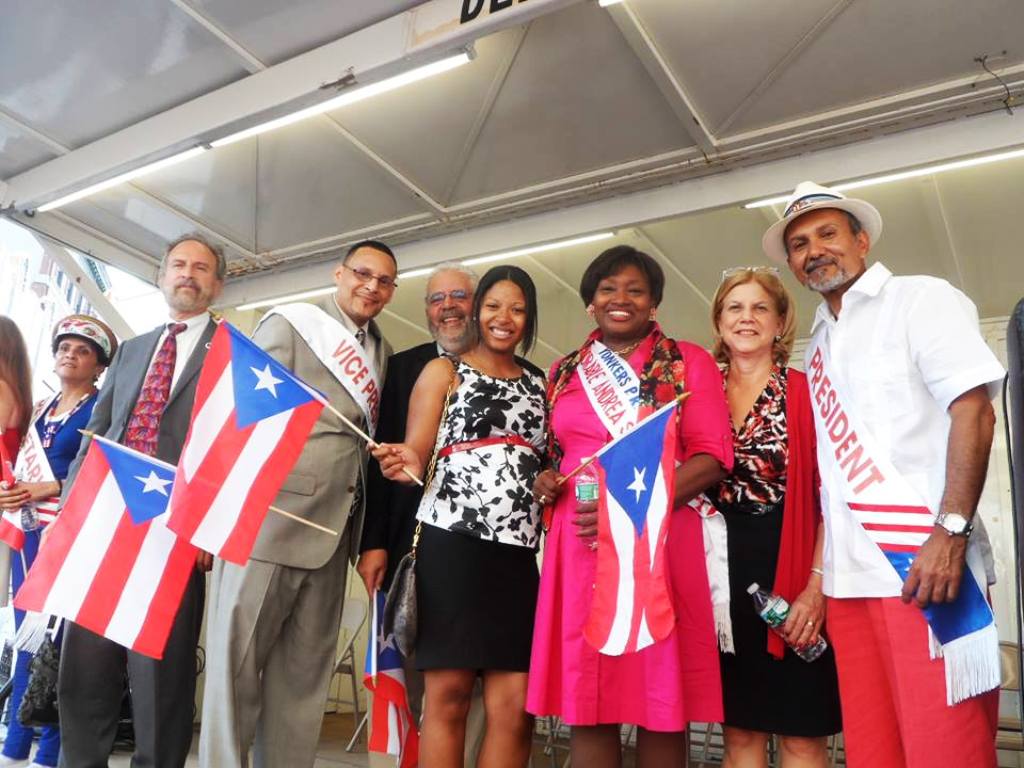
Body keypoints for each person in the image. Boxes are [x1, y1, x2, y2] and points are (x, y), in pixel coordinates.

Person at [766, 181, 1004, 768]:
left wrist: (950, 533)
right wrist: (820, 582)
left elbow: (973, 410)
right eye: (799, 244)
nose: (814, 250)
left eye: (828, 234)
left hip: (923, 568)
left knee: (944, 748)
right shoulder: (816, 344)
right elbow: (832, 481)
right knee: (875, 752)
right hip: (850, 584)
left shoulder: (922, 299)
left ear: (862, 240)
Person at [528, 245, 734, 768]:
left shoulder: (688, 361)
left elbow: (713, 456)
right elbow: (555, 454)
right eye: (607, 290)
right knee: (587, 696)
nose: (621, 299)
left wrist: (633, 505)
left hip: (657, 543)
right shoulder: (564, 371)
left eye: (635, 290)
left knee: (659, 696)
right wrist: (546, 480)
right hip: (580, 547)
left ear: (654, 303)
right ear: (590, 304)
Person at [200, 239, 395, 768]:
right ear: (338, 273)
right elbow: (243, 418)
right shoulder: (290, 324)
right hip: (271, 523)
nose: (371, 287)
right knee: (235, 673)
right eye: (362, 274)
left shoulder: (381, 349)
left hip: (336, 535)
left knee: (304, 684)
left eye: (384, 282)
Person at [58, 233, 224, 768]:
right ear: (161, 275)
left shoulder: (231, 355)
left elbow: (230, 452)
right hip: (106, 523)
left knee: (160, 676)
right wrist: (72, 513)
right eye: (178, 264)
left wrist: (208, 528)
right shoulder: (131, 350)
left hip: (175, 532)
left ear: (217, 283)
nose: (188, 274)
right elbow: (97, 434)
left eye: (201, 267)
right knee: (85, 667)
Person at [374, 265, 546, 768]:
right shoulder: (443, 370)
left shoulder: (540, 382)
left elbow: (546, 460)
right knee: (447, 697)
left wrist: (548, 480)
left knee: (514, 707)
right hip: (451, 548)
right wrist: (400, 463)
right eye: (493, 305)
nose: (503, 317)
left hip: (516, 556)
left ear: (529, 317)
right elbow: (416, 456)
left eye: (516, 308)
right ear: (477, 310)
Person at [708, 268, 841, 767]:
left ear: (781, 320)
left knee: (801, 733)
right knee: (739, 732)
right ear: (719, 321)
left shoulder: (807, 393)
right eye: (735, 308)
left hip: (792, 565)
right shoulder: (697, 396)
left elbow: (833, 498)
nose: (747, 318)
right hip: (718, 575)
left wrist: (816, 585)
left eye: (760, 307)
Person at [0, 314, 117, 768]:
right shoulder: (42, 408)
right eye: (64, 347)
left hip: (70, 536)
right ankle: (13, 747)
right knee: (25, 638)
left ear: (99, 366)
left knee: (55, 643)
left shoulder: (99, 409)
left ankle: (49, 752)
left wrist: (49, 488)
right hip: (29, 533)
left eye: (83, 350)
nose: (70, 355)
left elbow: (100, 468)